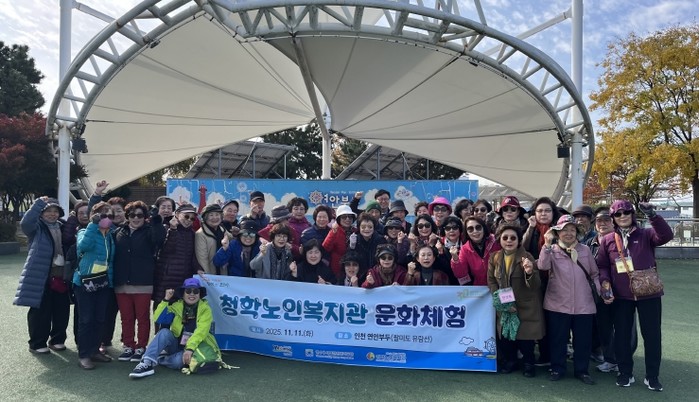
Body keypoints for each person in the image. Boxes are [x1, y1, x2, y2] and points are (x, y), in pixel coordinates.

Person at [596, 200, 673, 391]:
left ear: (632, 214)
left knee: (652, 335)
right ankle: (625, 373)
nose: (622, 216)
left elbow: (666, 235)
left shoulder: (646, 234)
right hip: (621, 296)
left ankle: (652, 376)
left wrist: (652, 215)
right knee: (622, 335)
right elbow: (602, 265)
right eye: (617, 214)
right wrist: (605, 282)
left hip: (649, 293)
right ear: (613, 218)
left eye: (626, 212)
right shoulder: (608, 240)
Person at [538, 215, 601, 385]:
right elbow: (542, 266)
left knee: (583, 341)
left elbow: (594, 274)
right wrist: (546, 245)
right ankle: (557, 369)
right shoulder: (551, 250)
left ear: (577, 232)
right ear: (557, 233)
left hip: (584, 304)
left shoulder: (585, 250)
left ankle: (582, 371)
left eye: (572, 230)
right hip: (557, 303)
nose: (568, 233)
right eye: (564, 230)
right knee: (558, 339)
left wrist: (599, 291)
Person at [129, 278, 223, 379]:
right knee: (164, 332)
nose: (192, 294)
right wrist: (166, 300)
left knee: (178, 362)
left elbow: (201, 331)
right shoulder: (176, 306)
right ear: (183, 293)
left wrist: (190, 349)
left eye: (196, 291)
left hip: (195, 347)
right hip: (176, 345)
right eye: (188, 291)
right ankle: (146, 362)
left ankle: (161, 359)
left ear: (200, 294)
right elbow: (158, 318)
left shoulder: (205, 309)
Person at [14, 197, 71, 355]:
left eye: (55, 211)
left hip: (61, 276)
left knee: (62, 310)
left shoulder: (63, 227)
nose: (52, 214)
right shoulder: (36, 228)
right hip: (42, 276)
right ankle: (37, 343)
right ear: (41, 213)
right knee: (40, 312)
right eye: (48, 211)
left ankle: (57, 339)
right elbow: (26, 223)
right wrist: (38, 204)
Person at [113, 201, 165, 362]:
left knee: (142, 317)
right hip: (121, 282)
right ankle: (128, 345)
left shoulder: (150, 231)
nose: (136, 218)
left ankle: (141, 346)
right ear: (127, 216)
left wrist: (156, 220)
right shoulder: (119, 232)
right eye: (132, 215)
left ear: (145, 217)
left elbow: (159, 239)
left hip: (143, 282)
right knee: (126, 317)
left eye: (140, 215)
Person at [487, 225, 543, 378]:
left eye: (513, 238)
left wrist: (530, 272)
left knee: (526, 339)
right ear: (500, 240)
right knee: (506, 338)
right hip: (505, 305)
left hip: (525, 306)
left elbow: (535, 285)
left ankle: (528, 363)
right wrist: (504, 303)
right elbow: (491, 281)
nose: (509, 241)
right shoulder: (494, 257)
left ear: (519, 240)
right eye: (505, 238)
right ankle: (511, 361)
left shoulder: (527, 257)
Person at [587, 207, 637, 374]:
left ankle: (624, 359)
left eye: (607, 220)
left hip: (624, 291)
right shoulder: (589, 243)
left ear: (613, 222)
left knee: (627, 327)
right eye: (599, 221)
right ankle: (610, 359)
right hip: (600, 292)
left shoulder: (624, 239)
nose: (602, 224)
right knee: (605, 326)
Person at [73, 201, 116, 369]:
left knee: (100, 319)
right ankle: (84, 355)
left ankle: (95, 351)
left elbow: (109, 262)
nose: (107, 218)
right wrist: (92, 224)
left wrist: (110, 283)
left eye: (110, 215)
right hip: (84, 283)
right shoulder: (84, 231)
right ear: (94, 215)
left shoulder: (110, 236)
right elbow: (83, 246)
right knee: (86, 319)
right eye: (103, 214)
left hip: (102, 283)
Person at [153, 204, 202, 308]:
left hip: (183, 279)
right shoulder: (166, 228)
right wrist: (173, 229)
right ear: (177, 214)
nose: (189, 220)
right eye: (186, 216)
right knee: (161, 310)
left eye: (192, 218)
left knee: (179, 312)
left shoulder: (192, 234)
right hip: (166, 279)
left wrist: (198, 268)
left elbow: (193, 256)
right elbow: (167, 249)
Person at [451, 216, 501, 286]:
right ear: (466, 232)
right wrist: (455, 258)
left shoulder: (496, 241)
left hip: (500, 285)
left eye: (478, 227)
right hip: (480, 287)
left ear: (483, 228)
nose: (475, 231)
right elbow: (461, 274)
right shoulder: (465, 249)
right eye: (470, 229)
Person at [195, 204, 229, 275]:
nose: (215, 218)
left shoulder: (222, 230)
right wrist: (208, 277)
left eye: (217, 214)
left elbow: (232, 238)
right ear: (205, 218)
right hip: (210, 274)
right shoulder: (200, 234)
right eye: (211, 215)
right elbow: (202, 259)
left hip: (223, 274)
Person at [323, 205, 356, 277]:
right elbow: (326, 247)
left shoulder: (356, 231)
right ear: (339, 219)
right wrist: (333, 233)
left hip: (353, 267)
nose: (347, 219)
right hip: (337, 267)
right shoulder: (334, 231)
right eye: (344, 217)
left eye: (350, 217)